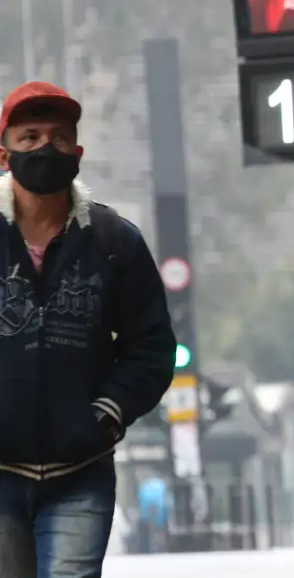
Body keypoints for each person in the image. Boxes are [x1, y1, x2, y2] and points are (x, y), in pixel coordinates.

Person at [0, 82, 178, 577]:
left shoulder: (113, 240)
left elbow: (153, 348)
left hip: (81, 475)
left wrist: (106, 415)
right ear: (3, 154)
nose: (44, 148)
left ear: (77, 153)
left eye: (58, 137)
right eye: (29, 137)